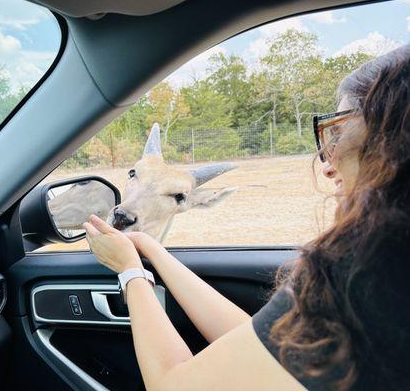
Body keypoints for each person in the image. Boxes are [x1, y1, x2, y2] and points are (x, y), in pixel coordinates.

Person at [83, 44, 410, 391]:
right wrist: (153, 251)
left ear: (393, 146)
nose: (327, 164)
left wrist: (131, 273)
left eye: (338, 131)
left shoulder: (366, 274)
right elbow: (268, 343)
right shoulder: (388, 266)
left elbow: (172, 386)